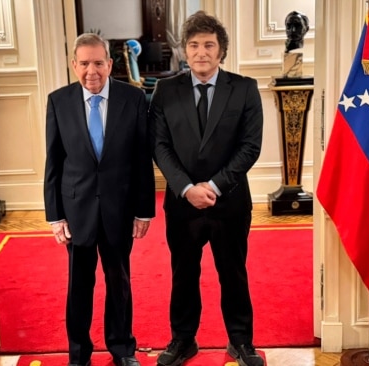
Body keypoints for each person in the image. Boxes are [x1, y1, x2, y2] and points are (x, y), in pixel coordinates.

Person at [149, 11, 264, 366]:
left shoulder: (244, 88)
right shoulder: (165, 90)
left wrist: (213, 186)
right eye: (194, 45)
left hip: (228, 202)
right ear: (184, 50)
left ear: (221, 50)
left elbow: (250, 146)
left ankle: (241, 342)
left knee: (233, 272)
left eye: (209, 45)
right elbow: (159, 145)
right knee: (184, 274)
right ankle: (183, 340)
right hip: (182, 205)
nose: (201, 52)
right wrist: (186, 188)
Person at [44, 33, 155, 366]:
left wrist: (144, 211)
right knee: (79, 286)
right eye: (84, 63)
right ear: (73, 65)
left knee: (119, 283)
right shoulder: (58, 101)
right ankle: (79, 354)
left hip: (119, 210)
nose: (91, 71)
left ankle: (122, 349)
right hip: (76, 211)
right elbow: (54, 162)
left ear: (110, 64)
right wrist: (55, 216)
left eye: (97, 63)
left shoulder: (133, 99)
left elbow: (141, 160)